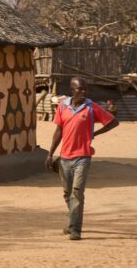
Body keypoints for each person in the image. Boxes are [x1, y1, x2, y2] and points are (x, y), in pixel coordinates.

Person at [45, 77, 119, 240]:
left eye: (85, 89)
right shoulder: (63, 106)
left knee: (77, 192)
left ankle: (75, 229)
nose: (83, 92)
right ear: (72, 90)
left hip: (83, 157)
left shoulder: (91, 107)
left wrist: (96, 133)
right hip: (64, 158)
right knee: (67, 194)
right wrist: (50, 154)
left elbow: (113, 122)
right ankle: (72, 219)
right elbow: (58, 132)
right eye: (79, 89)